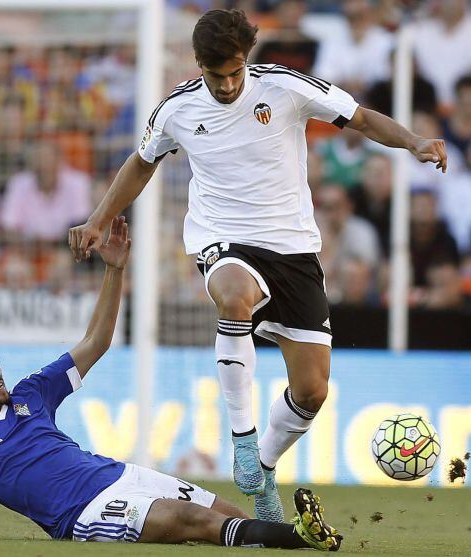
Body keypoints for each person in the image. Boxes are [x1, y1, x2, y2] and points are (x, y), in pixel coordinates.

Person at [70, 9, 446, 523]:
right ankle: (243, 437)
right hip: (222, 238)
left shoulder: (286, 87)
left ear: (247, 58)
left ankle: (263, 466)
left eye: (235, 72)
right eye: (215, 74)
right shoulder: (176, 109)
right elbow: (142, 162)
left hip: (292, 247)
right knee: (233, 294)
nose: (226, 84)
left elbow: (359, 116)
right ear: (199, 64)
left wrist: (415, 142)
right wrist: (99, 218)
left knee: (312, 390)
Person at [0, 217, 342, 552]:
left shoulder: (30, 393)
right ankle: (303, 538)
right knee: (191, 521)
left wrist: (114, 270)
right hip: (83, 514)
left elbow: (96, 342)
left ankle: (293, 540)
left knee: (225, 513)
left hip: (121, 475)